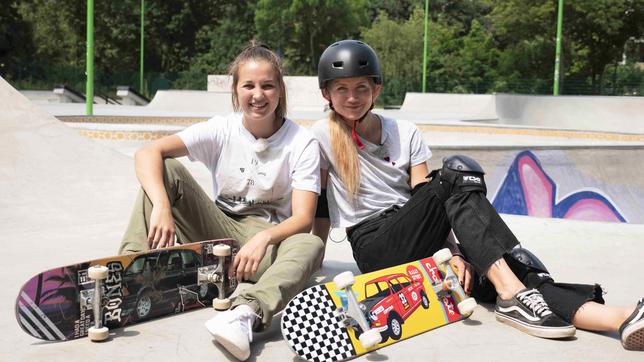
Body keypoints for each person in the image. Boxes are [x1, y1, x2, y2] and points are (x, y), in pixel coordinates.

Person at [310, 39, 644, 350]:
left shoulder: (404, 132)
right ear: (327, 93)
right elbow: (319, 204)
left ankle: (619, 318)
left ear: (376, 89)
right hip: (376, 246)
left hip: (421, 239)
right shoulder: (321, 136)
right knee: (456, 172)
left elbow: (428, 203)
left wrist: (454, 253)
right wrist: (312, 259)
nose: (352, 98)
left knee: (518, 265)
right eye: (342, 89)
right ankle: (510, 295)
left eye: (361, 88)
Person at [118, 43, 325, 360]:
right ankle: (128, 273)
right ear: (235, 90)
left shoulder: (302, 142)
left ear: (280, 90)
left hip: (267, 246)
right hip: (217, 231)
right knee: (167, 168)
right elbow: (148, 152)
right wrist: (162, 205)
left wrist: (264, 237)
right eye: (249, 86)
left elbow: (303, 218)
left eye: (268, 85)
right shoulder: (221, 129)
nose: (258, 95)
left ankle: (244, 314)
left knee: (310, 245)